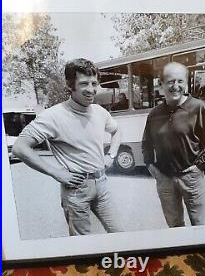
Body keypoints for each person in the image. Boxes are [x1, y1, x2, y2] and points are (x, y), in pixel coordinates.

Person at [13, 58, 123, 236]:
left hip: (102, 184)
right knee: (82, 247)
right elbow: (20, 147)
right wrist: (56, 172)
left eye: (94, 83)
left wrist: (111, 155)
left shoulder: (99, 111)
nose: (91, 89)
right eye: (84, 83)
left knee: (121, 234)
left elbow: (117, 131)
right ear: (70, 85)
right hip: (76, 190)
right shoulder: (53, 116)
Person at [142, 62, 205, 227]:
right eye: (170, 81)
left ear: (185, 83)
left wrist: (199, 166)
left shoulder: (198, 107)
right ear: (161, 84)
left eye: (180, 81)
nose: (175, 86)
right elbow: (146, 144)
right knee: (174, 226)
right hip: (165, 180)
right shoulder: (154, 114)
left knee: (200, 226)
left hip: (192, 177)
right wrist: (151, 166)